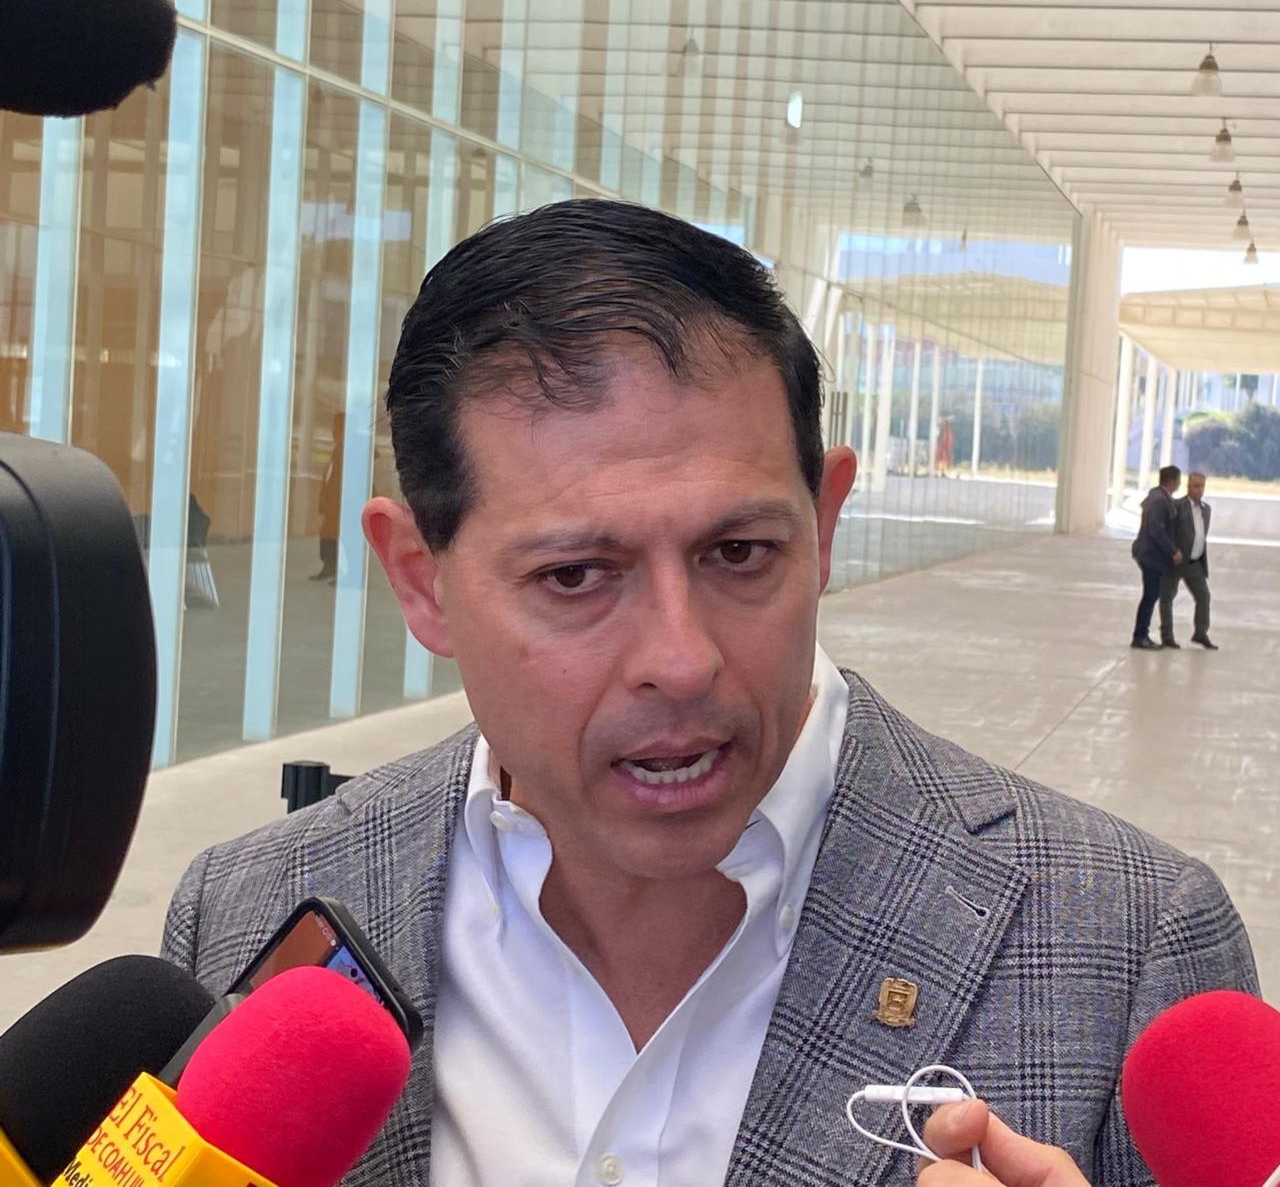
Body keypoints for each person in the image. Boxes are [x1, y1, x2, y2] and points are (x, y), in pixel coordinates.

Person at [161, 201, 1255, 1186]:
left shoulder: (1126, 946)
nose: (681, 660)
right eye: (575, 576)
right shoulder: (249, 908)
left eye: (739, 553)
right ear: (419, 579)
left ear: (823, 524)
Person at [1159, 471, 1216, 651]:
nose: (1200, 490)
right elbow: (1167, 532)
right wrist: (1172, 551)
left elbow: (1201, 534)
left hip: (1195, 562)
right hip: (1175, 561)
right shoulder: (1177, 507)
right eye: (1196, 486)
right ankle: (1167, 636)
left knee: (1203, 596)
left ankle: (1200, 632)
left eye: (1202, 487)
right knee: (1167, 597)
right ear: (1188, 486)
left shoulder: (1206, 510)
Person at [1129, 464, 1182, 651]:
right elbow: (1156, 530)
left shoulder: (1158, 496)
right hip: (1150, 555)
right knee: (1150, 595)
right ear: (1172, 481)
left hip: (1149, 554)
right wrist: (1173, 550)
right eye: (1178, 480)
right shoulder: (1159, 500)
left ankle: (1142, 634)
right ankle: (1140, 636)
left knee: (1151, 594)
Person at [311, 410, 344, 583]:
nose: (332, 431)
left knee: (336, 536)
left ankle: (339, 570)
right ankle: (329, 566)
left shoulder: (344, 451)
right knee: (327, 534)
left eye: (335, 427)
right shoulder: (338, 450)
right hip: (332, 504)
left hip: (338, 504)